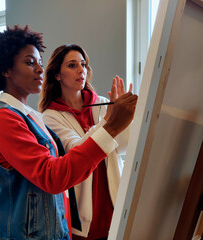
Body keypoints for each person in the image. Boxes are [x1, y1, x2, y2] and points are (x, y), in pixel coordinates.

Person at [0, 25, 137, 240]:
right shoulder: (4, 119)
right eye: (29, 62)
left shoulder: (29, 115)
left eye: (40, 64)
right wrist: (110, 126)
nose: (39, 70)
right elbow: (52, 176)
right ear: (6, 70)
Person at [39, 44, 132, 240]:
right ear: (57, 74)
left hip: (114, 199)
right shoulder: (50, 116)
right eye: (72, 65)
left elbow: (122, 146)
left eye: (83, 64)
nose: (81, 70)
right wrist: (109, 121)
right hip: (83, 209)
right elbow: (76, 149)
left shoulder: (102, 103)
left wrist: (126, 118)